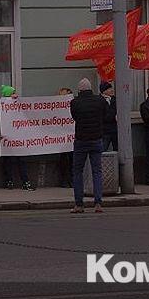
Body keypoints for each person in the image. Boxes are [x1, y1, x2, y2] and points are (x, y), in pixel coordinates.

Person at [69, 78, 107, 213]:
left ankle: (79, 204)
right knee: (97, 171)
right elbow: (105, 115)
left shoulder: (75, 102)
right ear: (91, 89)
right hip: (96, 138)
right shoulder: (100, 101)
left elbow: (74, 117)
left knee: (77, 171)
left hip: (81, 140)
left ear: (79, 90)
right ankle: (98, 203)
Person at [0, 85, 34, 191]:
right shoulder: (0, 106)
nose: (15, 95)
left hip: (19, 137)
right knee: (8, 160)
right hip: (7, 137)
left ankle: (25, 182)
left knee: (21, 160)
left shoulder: (19, 105)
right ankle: (9, 181)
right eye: (13, 93)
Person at [57, 87, 74, 187]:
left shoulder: (74, 105)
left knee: (72, 160)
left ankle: (72, 179)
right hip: (61, 138)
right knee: (64, 160)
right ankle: (64, 180)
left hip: (71, 137)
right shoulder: (57, 107)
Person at [100, 81, 118, 151]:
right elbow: (105, 116)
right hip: (104, 130)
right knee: (103, 150)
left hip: (115, 129)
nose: (112, 90)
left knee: (117, 150)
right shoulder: (99, 100)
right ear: (104, 91)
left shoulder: (115, 99)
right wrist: (113, 115)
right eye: (109, 89)